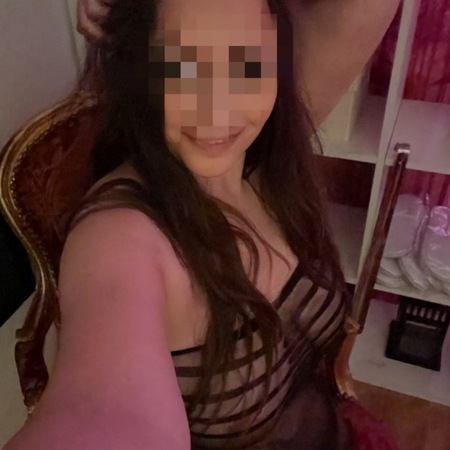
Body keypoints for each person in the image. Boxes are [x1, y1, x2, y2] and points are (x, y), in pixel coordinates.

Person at [4, 0, 399, 448]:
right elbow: (103, 415)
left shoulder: (266, 152)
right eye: (183, 68)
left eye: (246, 65)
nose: (216, 110)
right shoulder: (118, 239)